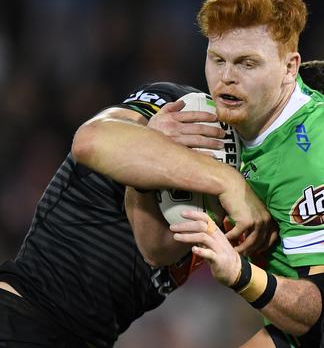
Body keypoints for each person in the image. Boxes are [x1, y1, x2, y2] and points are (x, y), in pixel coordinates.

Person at [73, 0, 324, 346]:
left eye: (247, 63)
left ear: (290, 67)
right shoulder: (212, 120)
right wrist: (148, 170)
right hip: (297, 321)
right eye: (218, 59)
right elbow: (156, 250)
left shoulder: (312, 153)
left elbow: (321, 310)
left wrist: (240, 274)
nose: (226, 77)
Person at [0, 82, 247, 347]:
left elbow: (155, 251)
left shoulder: (262, 181)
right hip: (23, 313)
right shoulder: (177, 107)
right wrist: (224, 180)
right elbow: (89, 141)